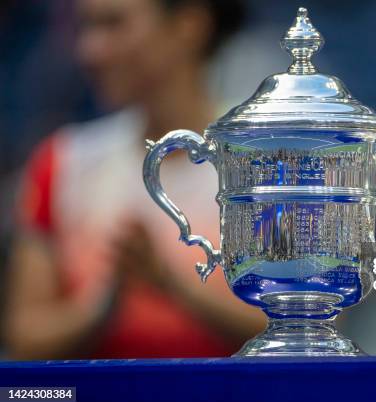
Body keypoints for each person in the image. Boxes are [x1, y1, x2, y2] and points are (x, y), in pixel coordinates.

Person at [3, 0, 265, 360]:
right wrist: (104, 306)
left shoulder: (270, 163)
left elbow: (314, 329)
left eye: (114, 24)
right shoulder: (62, 162)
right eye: (86, 28)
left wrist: (171, 286)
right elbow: (24, 337)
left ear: (189, 25)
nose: (89, 50)